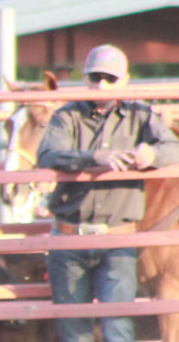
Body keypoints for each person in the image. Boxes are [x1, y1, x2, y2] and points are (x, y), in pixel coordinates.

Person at [36, 44, 179, 342]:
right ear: (86, 79)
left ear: (124, 81)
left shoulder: (141, 116)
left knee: (118, 329)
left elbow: (173, 148)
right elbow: (48, 154)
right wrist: (94, 158)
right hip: (70, 236)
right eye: (95, 77)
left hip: (117, 238)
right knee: (75, 332)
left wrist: (151, 155)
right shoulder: (67, 116)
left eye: (110, 78)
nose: (101, 85)